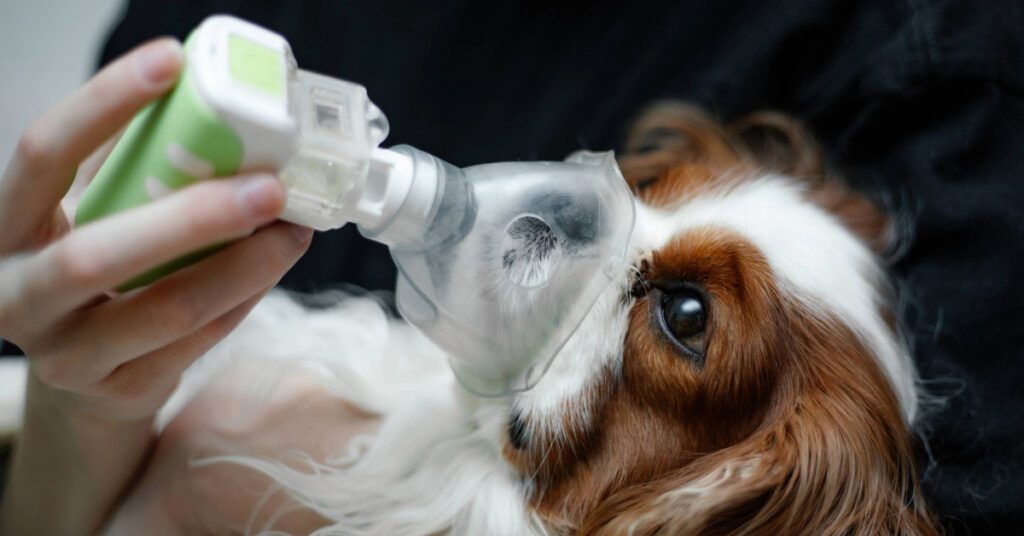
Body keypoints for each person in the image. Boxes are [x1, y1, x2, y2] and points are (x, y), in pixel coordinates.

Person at [1, 0, 1022, 533]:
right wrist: (80, 404)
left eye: (684, 317)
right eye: (643, 191)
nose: (588, 238)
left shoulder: (935, 68)